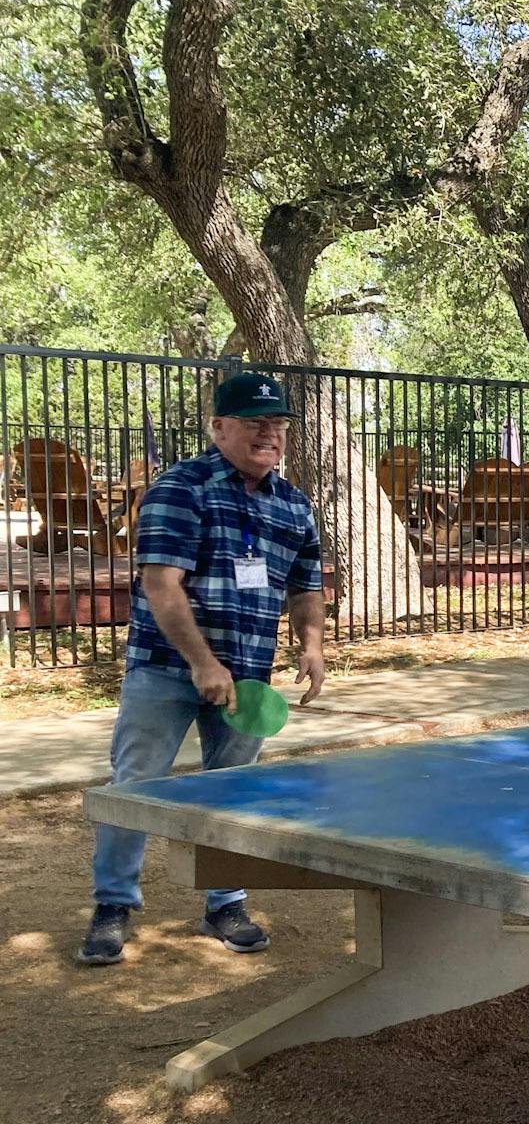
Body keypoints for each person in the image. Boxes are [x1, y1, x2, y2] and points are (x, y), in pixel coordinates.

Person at [79, 371, 327, 966]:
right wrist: (202, 663)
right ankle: (113, 905)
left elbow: (306, 583)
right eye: (254, 422)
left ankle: (225, 903)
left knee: (233, 790)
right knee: (137, 786)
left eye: (279, 424)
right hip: (165, 670)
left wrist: (312, 644)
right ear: (219, 427)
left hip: (246, 678)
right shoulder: (179, 489)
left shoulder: (293, 503)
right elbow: (162, 586)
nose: (270, 434)